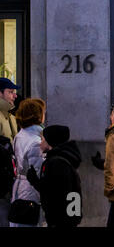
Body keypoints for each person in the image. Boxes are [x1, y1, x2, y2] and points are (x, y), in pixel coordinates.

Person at [27, 125, 82, 227]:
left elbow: (54, 193)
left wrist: (34, 180)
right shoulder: (61, 159)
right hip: (66, 217)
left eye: (42, 139)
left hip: (60, 219)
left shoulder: (56, 163)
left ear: (50, 141)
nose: (40, 142)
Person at [10, 98, 46, 227]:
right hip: (30, 191)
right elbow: (37, 172)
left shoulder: (20, 135)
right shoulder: (36, 141)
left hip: (20, 187)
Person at [0, 78, 20, 227]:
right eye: (10, 92)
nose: (15, 96)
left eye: (15, 92)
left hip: (11, 176)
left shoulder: (11, 117)